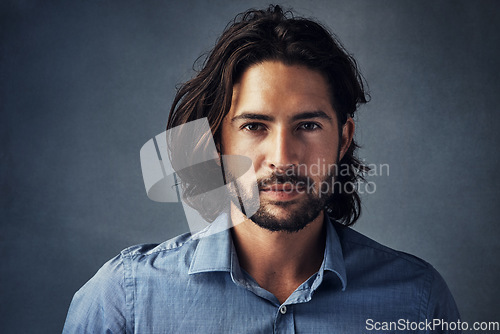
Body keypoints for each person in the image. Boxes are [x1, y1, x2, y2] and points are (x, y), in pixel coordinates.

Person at [63, 5, 460, 333]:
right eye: (254, 126)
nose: (283, 158)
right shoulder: (125, 300)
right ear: (218, 142)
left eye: (308, 126)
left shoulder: (418, 301)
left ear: (342, 138)